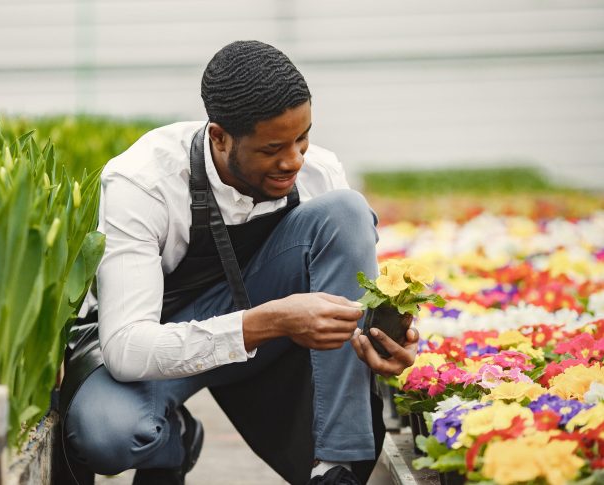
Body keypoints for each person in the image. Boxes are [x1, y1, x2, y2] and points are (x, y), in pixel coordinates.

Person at [59, 40, 419, 485]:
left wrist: (383, 337)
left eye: (302, 137)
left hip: (268, 335)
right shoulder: (144, 182)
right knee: (107, 434)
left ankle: (335, 464)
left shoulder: (318, 172)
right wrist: (260, 323)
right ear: (219, 137)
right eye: (271, 149)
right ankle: (176, 441)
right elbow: (127, 348)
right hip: (158, 336)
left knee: (345, 211)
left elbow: (349, 292)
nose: (293, 160)